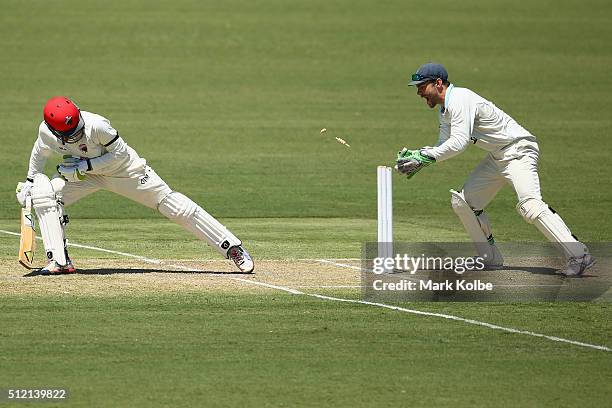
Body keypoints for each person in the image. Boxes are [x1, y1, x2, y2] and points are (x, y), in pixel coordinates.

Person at [15, 96, 254, 274]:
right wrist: (30, 180)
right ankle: (59, 260)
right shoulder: (46, 133)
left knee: (172, 206)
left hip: (125, 172)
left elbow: (120, 156)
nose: (77, 135)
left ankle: (232, 247)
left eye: (77, 129)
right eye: (70, 134)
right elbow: (40, 152)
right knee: (45, 195)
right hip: (85, 176)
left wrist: (84, 167)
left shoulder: (97, 125)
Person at [396, 63, 593, 276]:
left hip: (518, 150)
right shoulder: (445, 110)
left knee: (530, 206)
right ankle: (489, 258)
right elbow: (444, 144)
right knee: (464, 203)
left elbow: (460, 142)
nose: (418, 92)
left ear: (438, 83)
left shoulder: (460, 99)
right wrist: (421, 156)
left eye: (421, 86)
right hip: (498, 156)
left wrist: (426, 157)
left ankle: (579, 255)